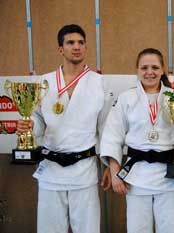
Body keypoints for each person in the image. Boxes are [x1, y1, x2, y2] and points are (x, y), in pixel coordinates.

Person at [17, 24, 112, 233]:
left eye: (81, 43)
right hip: (51, 171)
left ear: (86, 48)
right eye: (70, 43)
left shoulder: (98, 83)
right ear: (61, 49)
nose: (76, 47)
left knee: (87, 229)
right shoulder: (45, 82)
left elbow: (106, 127)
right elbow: (39, 119)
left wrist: (108, 165)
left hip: (84, 170)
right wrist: (30, 125)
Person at [100, 48, 174, 233]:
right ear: (137, 69)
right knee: (137, 229)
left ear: (163, 69)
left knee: (171, 229)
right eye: (144, 67)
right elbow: (112, 135)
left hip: (169, 175)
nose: (149, 72)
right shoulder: (127, 98)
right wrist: (115, 169)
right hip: (137, 175)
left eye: (154, 67)